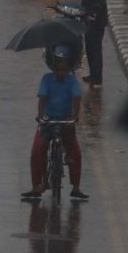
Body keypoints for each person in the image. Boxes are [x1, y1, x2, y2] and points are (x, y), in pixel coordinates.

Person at [21, 45, 87, 201]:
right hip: (48, 120)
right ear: (53, 67)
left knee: (75, 153)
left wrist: (74, 116)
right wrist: (40, 116)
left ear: (68, 68)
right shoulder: (46, 79)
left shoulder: (71, 81)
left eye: (63, 69)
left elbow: (76, 98)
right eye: (58, 69)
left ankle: (76, 188)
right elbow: (42, 98)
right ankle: (37, 185)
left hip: (66, 120)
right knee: (38, 150)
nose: (60, 72)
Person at [80, 0, 109, 89]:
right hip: (89, 21)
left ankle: (97, 79)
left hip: (95, 24)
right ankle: (92, 75)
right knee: (90, 49)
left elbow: (100, 4)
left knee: (95, 50)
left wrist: (92, 16)